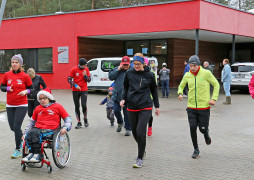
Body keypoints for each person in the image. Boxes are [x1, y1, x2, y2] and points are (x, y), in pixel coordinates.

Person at [120, 53, 160, 168]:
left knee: (140, 132)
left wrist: (157, 106)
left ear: (143, 63)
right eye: (134, 64)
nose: (136, 66)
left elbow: (154, 91)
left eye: (138, 64)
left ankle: (139, 157)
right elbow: (125, 87)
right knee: (134, 132)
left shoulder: (150, 75)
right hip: (132, 105)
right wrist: (123, 98)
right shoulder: (129, 73)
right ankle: (142, 150)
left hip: (145, 106)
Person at [178, 55, 220, 159]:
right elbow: (181, 85)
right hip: (191, 107)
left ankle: (206, 133)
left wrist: (214, 99)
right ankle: (196, 149)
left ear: (199, 64)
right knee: (192, 128)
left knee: (202, 129)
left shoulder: (206, 73)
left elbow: (216, 85)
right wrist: (179, 93)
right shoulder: (187, 75)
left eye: (194, 65)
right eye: (191, 65)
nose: (192, 68)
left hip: (204, 108)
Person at [22, 88, 72, 162]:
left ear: (49, 98)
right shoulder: (37, 108)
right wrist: (25, 133)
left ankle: (37, 154)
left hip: (52, 129)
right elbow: (31, 122)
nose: (42, 100)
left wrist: (65, 128)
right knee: (30, 133)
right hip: (38, 128)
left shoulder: (58, 106)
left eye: (44, 98)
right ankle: (31, 153)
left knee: (35, 133)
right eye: (40, 99)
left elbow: (68, 119)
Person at [0, 54, 34, 158]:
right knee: (12, 127)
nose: (14, 64)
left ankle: (18, 149)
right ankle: (24, 138)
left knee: (16, 126)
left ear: (20, 64)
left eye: (16, 62)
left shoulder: (25, 76)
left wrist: (25, 91)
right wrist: (7, 88)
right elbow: (2, 87)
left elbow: (32, 89)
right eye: (13, 62)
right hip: (10, 105)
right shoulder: (7, 75)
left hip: (22, 105)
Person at [108, 56, 132, 136]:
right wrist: (118, 69)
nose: (125, 66)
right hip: (117, 96)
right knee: (116, 110)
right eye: (124, 64)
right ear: (121, 64)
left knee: (127, 113)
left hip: (127, 97)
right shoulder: (116, 70)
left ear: (129, 64)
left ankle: (128, 128)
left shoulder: (132, 71)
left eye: (127, 65)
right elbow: (110, 77)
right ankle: (120, 122)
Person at [68, 58, 91, 129]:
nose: (85, 66)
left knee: (84, 105)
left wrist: (85, 76)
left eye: (86, 65)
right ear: (81, 65)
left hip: (84, 90)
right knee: (77, 106)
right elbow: (69, 79)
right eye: (84, 65)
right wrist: (75, 85)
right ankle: (79, 122)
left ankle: (85, 119)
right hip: (75, 90)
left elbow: (89, 80)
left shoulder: (86, 69)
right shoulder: (74, 69)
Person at [144, 57, 155, 136]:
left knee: (149, 116)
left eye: (144, 63)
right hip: (139, 98)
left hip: (149, 98)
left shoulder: (151, 74)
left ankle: (150, 127)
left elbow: (154, 87)